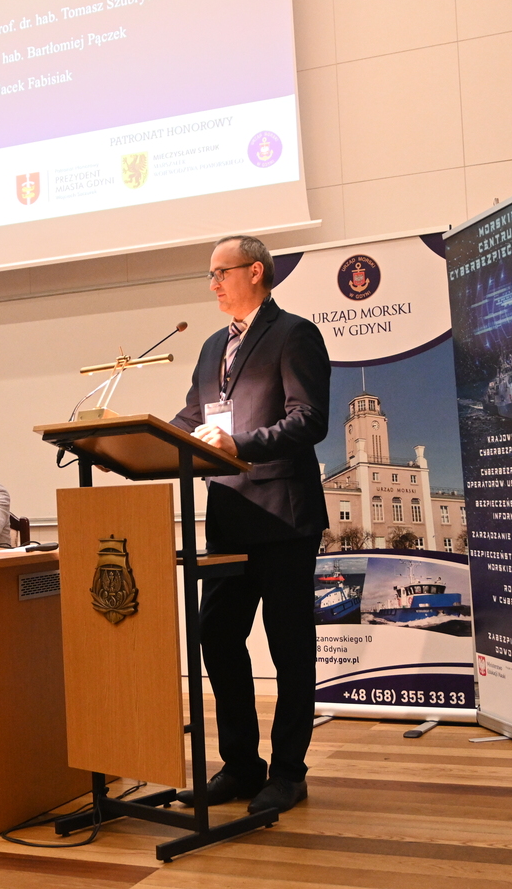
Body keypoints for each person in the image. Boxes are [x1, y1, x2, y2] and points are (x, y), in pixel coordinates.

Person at [170, 234, 331, 815]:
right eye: (210, 275)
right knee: (216, 636)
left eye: (221, 272)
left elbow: (309, 420)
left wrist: (239, 444)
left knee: (289, 649)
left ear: (256, 272)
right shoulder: (212, 345)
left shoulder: (294, 334)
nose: (213, 283)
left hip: (283, 516)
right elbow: (191, 416)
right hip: (229, 517)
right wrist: (140, 440)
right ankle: (241, 766)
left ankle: (288, 773)